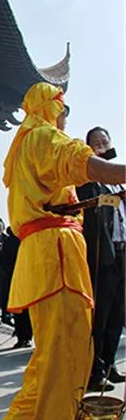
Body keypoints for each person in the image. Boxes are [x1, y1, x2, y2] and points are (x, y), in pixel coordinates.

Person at [0, 83, 125, 420]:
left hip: (41, 251)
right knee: (69, 347)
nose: (64, 115)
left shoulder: (24, 144)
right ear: (49, 107)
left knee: (50, 349)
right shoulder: (45, 137)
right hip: (56, 253)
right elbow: (92, 166)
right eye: (61, 107)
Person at [79, 126, 125, 389]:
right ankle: (94, 371)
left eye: (104, 141)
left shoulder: (118, 178)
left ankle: (109, 364)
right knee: (101, 314)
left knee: (118, 313)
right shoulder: (88, 179)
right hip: (103, 255)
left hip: (122, 250)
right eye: (95, 142)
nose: (101, 145)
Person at [1, 227, 32, 348]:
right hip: (28, 276)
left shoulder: (9, 241)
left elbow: (3, 262)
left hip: (14, 278)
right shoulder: (28, 238)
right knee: (29, 309)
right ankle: (28, 337)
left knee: (19, 310)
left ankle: (22, 338)